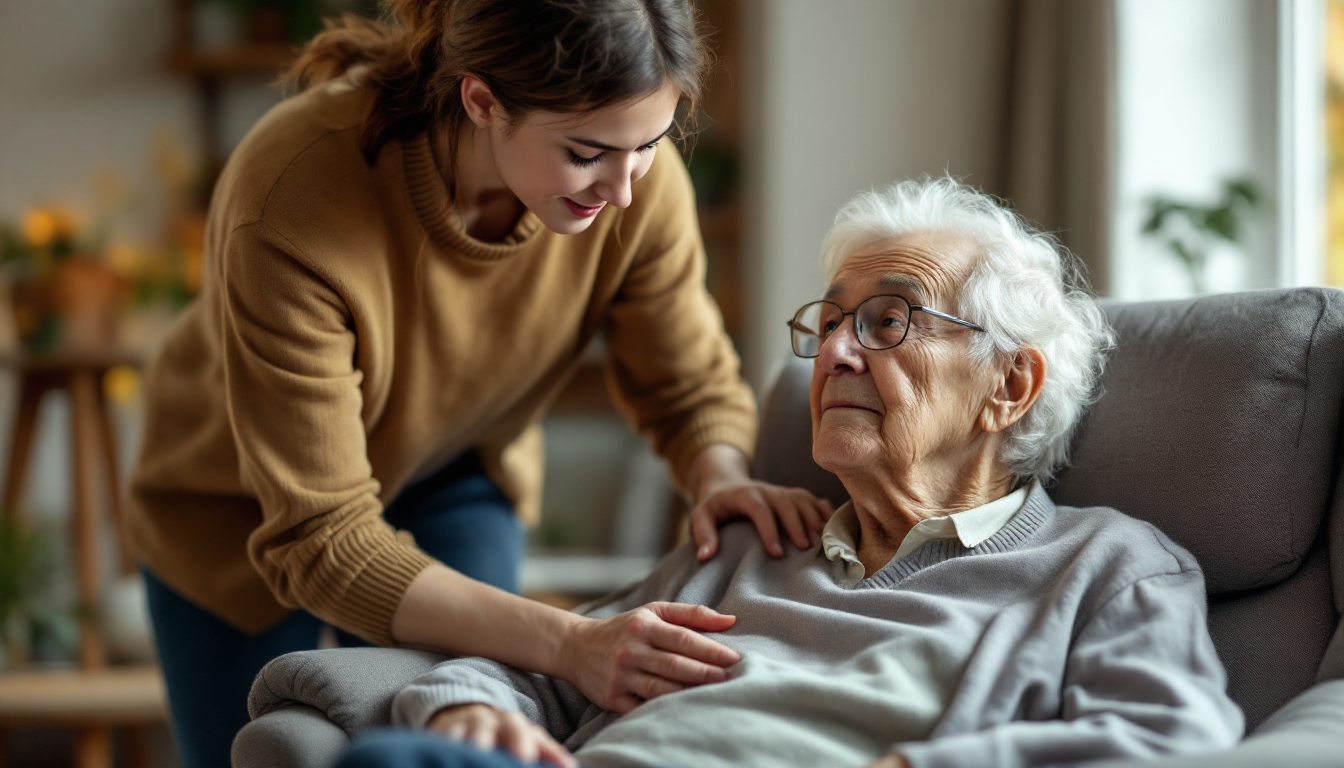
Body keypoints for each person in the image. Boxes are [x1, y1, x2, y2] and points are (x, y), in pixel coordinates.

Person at [328, 177, 1245, 768]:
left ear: (1009, 383)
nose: (835, 353)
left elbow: (1172, 737)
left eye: (889, 322)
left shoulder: (1106, 566)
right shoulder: (753, 541)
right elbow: (557, 665)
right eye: (831, 323)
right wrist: (462, 709)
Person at [126, 1, 833, 765]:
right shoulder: (292, 194)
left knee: (468, 731)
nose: (625, 190)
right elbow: (325, 540)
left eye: (651, 146)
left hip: (456, 467)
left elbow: (686, 377)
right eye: (587, 152)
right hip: (236, 507)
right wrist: (572, 642)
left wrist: (719, 472)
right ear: (482, 101)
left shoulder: (629, 176)